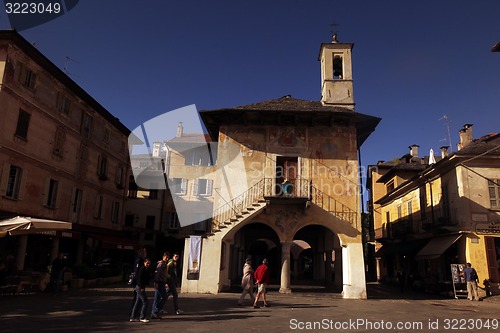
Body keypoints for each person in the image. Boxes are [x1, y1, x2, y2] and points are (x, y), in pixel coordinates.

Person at [130, 258, 151, 323]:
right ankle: (142, 317)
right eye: (147, 263)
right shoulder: (142, 269)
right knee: (145, 301)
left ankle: (133, 317)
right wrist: (142, 287)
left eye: (149, 263)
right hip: (139, 287)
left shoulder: (146, 269)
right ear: (144, 263)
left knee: (138, 301)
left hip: (139, 287)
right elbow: (139, 279)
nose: (148, 264)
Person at [151, 252, 170, 319]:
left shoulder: (164, 264)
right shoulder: (161, 264)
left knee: (157, 298)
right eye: (166, 257)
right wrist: (156, 282)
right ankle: (155, 310)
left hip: (162, 282)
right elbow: (157, 273)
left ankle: (154, 312)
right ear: (163, 257)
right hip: (159, 282)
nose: (167, 259)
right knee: (163, 297)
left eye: (168, 257)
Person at [130, 247, 147, 315]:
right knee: (140, 299)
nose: (146, 254)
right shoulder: (139, 260)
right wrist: (139, 284)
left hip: (138, 283)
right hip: (138, 283)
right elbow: (137, 273)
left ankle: (134, 313)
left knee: (138, 299)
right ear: (141, 253)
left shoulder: (140, 260)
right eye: (145, 253)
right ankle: (134, 313)